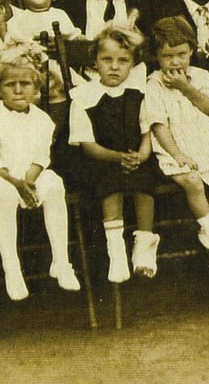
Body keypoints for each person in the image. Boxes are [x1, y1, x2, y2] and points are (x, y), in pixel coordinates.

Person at [0, 44, 82, 301]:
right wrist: (16, 182)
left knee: (55, 183)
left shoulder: (41, 119)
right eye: (9, 84)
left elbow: (41, 156)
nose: (17, 90)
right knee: (3, 193)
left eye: (25, 84)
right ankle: (11, 268)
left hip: (27, 177)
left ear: (36, 89)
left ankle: (61, 261)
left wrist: (30, 179)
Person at [68, 24, 160, 282]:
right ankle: (116, 249)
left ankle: (144, 242)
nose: (114, 66)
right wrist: (119, 158)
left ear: (132, 64)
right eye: (106, 59)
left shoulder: (138, 94)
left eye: (123, 60)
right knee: (110, 182)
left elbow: (147, 130)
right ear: (94, 61)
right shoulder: (83, 97)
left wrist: (142, 155)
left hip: (134, 157)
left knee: (146, 177)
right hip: (101, 159)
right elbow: (87, 145)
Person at [140, 17, 209, 255]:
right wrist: (178, 154)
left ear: (191, 50)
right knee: (192, 180)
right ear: (157, 57)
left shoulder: (200, 77)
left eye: (181, 54)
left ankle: (206, 229)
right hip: (174, 143)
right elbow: (158, 125)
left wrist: (185, 87)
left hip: (205, 139)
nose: (174, 62)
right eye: (167, 56)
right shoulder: (154, 84)